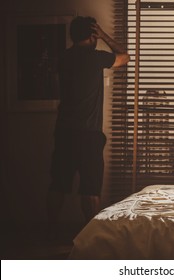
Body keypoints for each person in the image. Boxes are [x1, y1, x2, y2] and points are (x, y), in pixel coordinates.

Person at [46, 16, 130, 238]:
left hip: (64, 131)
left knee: (59, 184)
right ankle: (91, 236)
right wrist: (103, 36)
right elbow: (126, 57)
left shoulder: (63, 58)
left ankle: (50, 229)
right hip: (89, 134)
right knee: (91, 188)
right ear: (92, 35)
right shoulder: (95, 58)